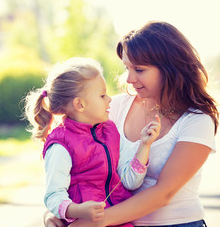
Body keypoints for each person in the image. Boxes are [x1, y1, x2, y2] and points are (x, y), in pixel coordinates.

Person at [44, 21, 219, 227]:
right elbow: (79, 167)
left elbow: (164, 193)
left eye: (139, 69)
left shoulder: (197, 120)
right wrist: (55, 213)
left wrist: (92, 223)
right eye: (127, 68)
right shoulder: (113, 107)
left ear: (169, 67)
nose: (129, 78)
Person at [23, 57, 161, 226]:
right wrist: (77, 210)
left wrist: (144, 145)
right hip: (84, 222)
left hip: (117, 219)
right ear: (79, 104)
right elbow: (53, 196)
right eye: (102, 95)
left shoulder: (110, 131)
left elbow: (130, 182)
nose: (110, 99)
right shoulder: (60, 145)